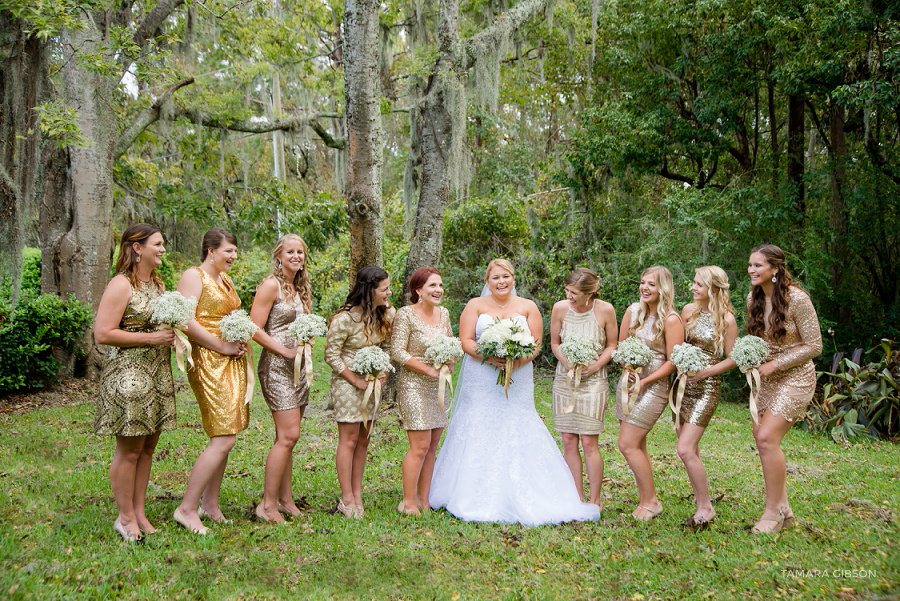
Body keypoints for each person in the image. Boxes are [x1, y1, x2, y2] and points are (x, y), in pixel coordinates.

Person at [429, 259, 600, 526]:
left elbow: (537, 343)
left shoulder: (528, 306)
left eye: (506, 276)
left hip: (519, 377)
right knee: (479, 423)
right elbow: (465, 341)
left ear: (513, 278)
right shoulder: (475, 306)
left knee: (518, 422)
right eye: (496, 277)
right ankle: (470, 491)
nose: (501, 282)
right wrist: (489, 357)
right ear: (487, 280)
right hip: (482, 377)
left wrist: (517, 360)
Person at [93, 224, 177, 541]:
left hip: (157, 371)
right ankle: (125, 516)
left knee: (147, 448)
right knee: (129, 450)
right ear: (137, 248)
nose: (163, 249)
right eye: (157, 244)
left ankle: (139, 511)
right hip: (128, 374)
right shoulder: (120, 285)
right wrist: (153, 337)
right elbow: (103, 333)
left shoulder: (156, 283)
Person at [173, 228, 248, 534]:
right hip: (207, 360)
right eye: (228, 251)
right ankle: (186, 508)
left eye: (234, 251)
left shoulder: (224, 279)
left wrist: (238, 337)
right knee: (222, 437)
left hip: (231, 359)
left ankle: (210, 504)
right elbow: (186, 320)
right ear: (210, 250)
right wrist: (220, 345)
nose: (233, 256)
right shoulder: (195, 276)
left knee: (227, 432)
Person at [746, 244, 821, 533]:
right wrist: (748, 357)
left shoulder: (798, 299)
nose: (751, 270)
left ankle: (772, 511)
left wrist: (777, 365)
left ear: (775, 269)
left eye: (758, 265)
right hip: (764, 379)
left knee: (766, 437)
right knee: (761, 438)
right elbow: (757, 341)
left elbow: (815, 346)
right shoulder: (752, 299)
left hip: (796, 377)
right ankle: (785, 509)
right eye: (750, 265)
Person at [249, 234, 312, 522]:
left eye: (300, 252)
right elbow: (254, 328)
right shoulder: (270, 286)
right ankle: (267, 505)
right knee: (289, 435)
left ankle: (286, 500)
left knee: (286, 437)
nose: (296, 256)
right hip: (276, 367)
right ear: (278, 256)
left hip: (298, 369)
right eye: (290, 252)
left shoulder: (298, 287)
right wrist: (285, 352)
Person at [324, 266, 395, 518]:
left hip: (373, 383)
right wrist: (355, 380)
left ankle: (357, 494)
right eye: (384, 289)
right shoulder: (344, 318)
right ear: (369, 290)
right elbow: (331, 355)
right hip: (347, 383)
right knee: (349, 438)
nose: (389, 293)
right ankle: (346, 499)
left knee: (364, 439)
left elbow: (386, 346)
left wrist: (382, 374)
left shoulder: (386, 313)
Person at [615, 265, 684, 521]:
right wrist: (628, 368)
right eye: (643, 282)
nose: (645, 288)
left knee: (626, 443)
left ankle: (651, 501)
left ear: (663, 288)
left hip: (653, 387)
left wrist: (645, 381)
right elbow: (622, 347)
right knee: (638, 444)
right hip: (628, 383)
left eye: (651, 284)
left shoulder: (671, 319)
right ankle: (647, 498)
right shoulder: (632, 311)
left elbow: (672, 361)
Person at [550, 268, 618, 508]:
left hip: (594, 382)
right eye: (567, 291)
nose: (569, 296)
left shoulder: (605, 310)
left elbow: (612, 345)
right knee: (568, 439)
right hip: (565, 380)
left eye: (575, 293)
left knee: (589, 442)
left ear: (590, 293)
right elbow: (555, 342)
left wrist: (595, 365)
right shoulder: (560, 309)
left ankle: (595, 499)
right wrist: (565, 361)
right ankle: (575, 497)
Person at [678, 266, 738, 527]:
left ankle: (706, 506)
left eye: (698, 284)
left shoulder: (726, 319)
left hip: (707, 388)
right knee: (691, 449)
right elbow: (678, 345)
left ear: (713, 288)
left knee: (684, 449)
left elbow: (733, 358)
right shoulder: (688, 312)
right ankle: (699, 499)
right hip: (681, 387)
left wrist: (706, 372)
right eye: (693, 283)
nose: (693, 287)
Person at [390, 268, 453, 516]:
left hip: (439, 384)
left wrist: (448, 360)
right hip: (414, 385)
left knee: (432, 445)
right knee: (419, 445)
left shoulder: (444, 313)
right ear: (418, 290)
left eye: (440, 284)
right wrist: (426, 370)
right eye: (432, 286)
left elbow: (449, 341)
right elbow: (397, 351)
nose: (438, 290)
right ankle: (407, 502)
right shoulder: (406, 315)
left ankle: (424, 499)